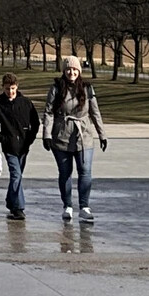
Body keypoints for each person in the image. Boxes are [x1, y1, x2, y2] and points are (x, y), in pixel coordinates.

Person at [43, 55, 107, 223]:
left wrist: (102, 134)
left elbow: (95, 112)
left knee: (85, 172)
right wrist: (47, 134)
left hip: (83, 135)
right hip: (62, 136)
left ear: (79, 70)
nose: (72, 72)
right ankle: (68, 205)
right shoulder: (56, 88)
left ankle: (84, 206)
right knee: (65, 173)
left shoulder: (87, 88)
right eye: (68, 69)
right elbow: (48, 112)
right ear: (64, 71)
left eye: (74, 69)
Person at [0, 73, 39, 221]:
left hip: (24, 145)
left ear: (17, 87)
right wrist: (3, 139)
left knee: (17, 177)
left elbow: (35, 123)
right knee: (16, 175)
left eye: (12, 88)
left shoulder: (26, 103)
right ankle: (18, 208)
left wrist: (29, 139)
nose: (10, 92)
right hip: (9, 146)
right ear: (2, 88)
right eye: (6, 89)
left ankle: (10, 201)